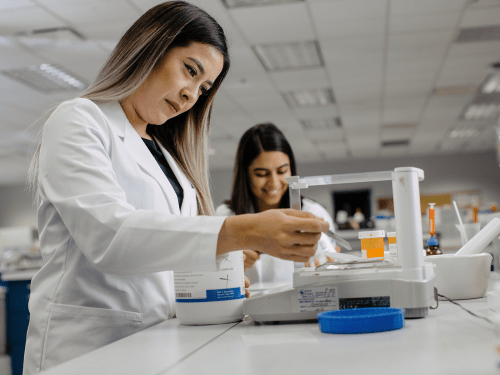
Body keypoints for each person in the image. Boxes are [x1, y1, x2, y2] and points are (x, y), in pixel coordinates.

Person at [23, 3, 329, 374]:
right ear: (151, 45)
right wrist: (242, 229)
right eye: (190, 70)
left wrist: (221, 281)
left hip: (160, 344)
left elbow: (167, 258)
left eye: (203, 88)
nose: (191, 96)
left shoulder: (169, 159)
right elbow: (111, 237)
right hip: (87, 349)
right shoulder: (79, 119)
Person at [215, 123, 338, 285]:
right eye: (261, 174)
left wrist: (327, 263)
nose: (273, 182)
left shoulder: (312, 212)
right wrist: (226, 264)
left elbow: (333, 263)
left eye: (282, 171)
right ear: (245, 175)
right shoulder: (224, 216)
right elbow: (205, 272)